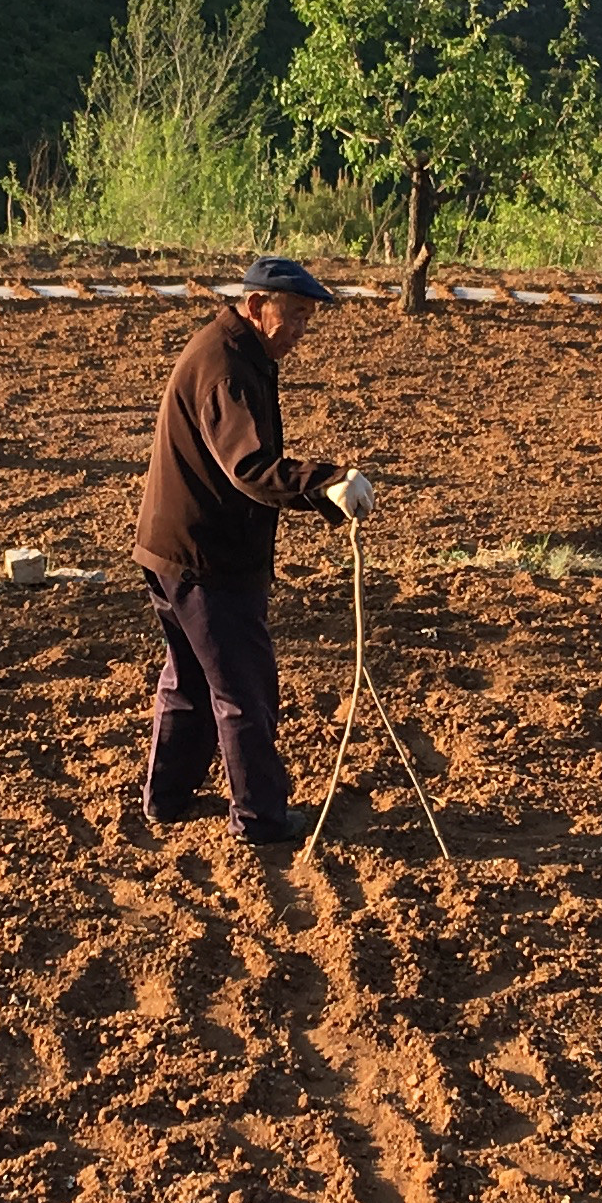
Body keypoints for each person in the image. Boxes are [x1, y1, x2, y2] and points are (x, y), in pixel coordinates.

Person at [131, 257, 376, 844]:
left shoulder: (237, 351)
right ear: (257, 305)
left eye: (307, 319)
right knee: (244, 689)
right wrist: (327, 481)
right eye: (293, 315)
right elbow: (249, 467)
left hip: (172, 548)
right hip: (205, 558)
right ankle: (261, 818)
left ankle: (166, 799)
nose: (300, 330)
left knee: (189, 679)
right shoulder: (227, 369)